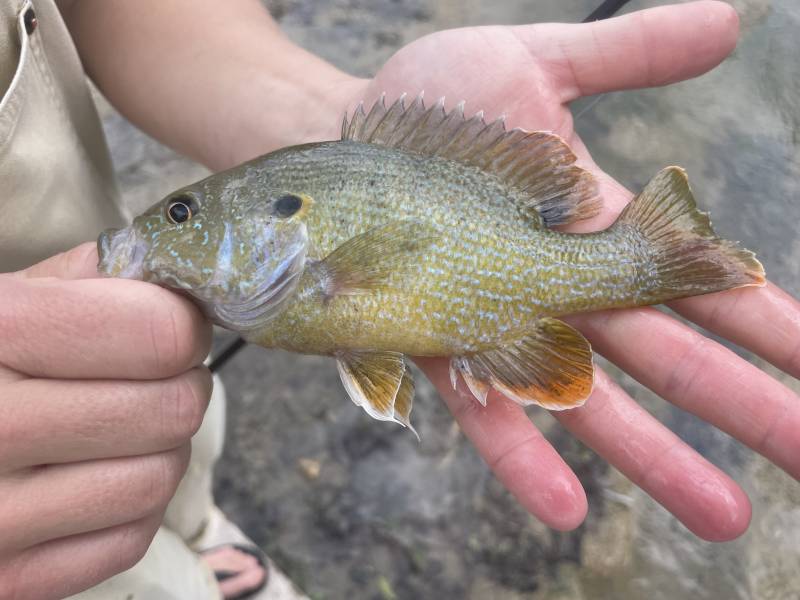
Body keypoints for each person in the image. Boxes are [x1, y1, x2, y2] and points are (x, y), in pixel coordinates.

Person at [1, 0, 799, 598]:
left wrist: (302, 98)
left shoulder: (268, 272)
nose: (165, 223)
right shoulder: (284, 270)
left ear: (282, 228)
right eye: (178, 212)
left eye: (184, 215)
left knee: (175, 435)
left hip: (125, 352)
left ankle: (200, 533)